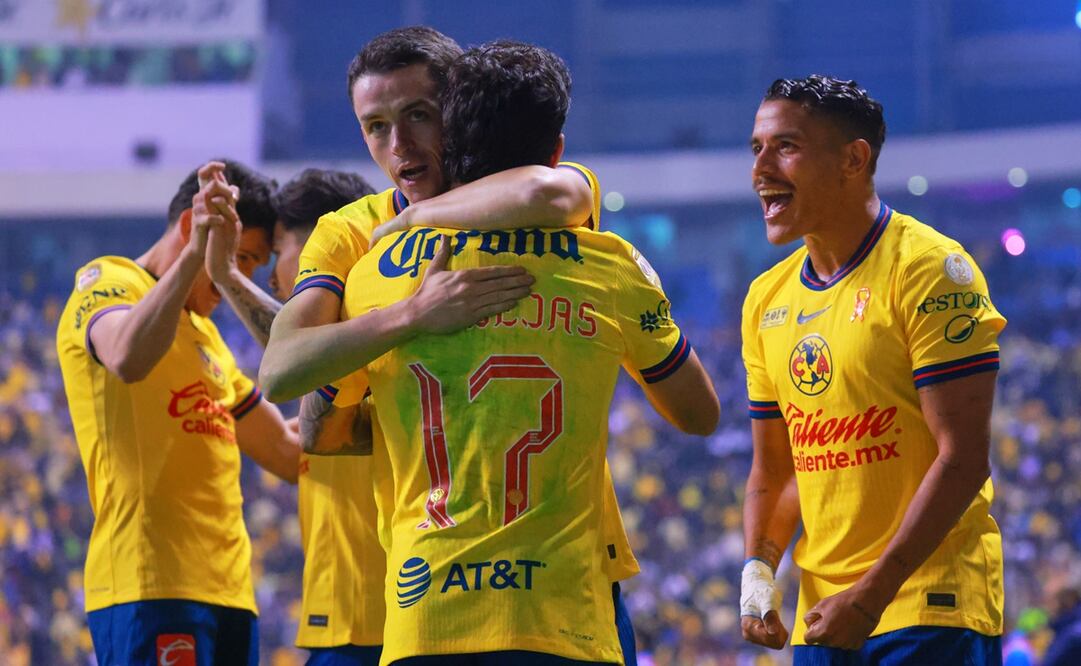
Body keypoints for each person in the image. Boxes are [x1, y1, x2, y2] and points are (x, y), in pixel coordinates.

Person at [260, 26, 644, 663]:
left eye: (418, 115)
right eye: (375, 126)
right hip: (437, 585)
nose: (399, 145)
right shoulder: (350, 231)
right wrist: (412, 314)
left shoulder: (535, 190)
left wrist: (411, 221)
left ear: (460, 111)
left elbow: (556, 189)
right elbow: (282, 372)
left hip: (569, 575)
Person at [330, 40, 718, 665]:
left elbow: (322, 421)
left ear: (450, 143)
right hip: (562, 618)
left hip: (424, 618)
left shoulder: (373, 273)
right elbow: (700, 415)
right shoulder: (607, 263)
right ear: (557, 152)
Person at [739, 75, 1006, 664]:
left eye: (785, 146)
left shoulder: (931, 270)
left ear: (853, 159)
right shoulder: (765, 299)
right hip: (825, 618)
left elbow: (961, 458)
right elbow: (778, 469)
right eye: (756, 148)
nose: (761, 168)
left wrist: (872, 594)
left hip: (928, 607)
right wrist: (759, 571)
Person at [56, 160, 300, 665]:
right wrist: (195, 256)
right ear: (193, 228)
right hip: (152, 583)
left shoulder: (208, 336)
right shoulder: (110, 282)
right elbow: (125, 356)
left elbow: (285, 451)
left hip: (231, 593)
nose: (241, 279)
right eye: (242, 258)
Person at [270, 168, 387, 666]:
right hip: (347, 618)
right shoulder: (349, 338)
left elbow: (298, 372)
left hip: (373, 617)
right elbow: (294, 362)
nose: (272, 272)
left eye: (277, 251)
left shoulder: (371, 326)